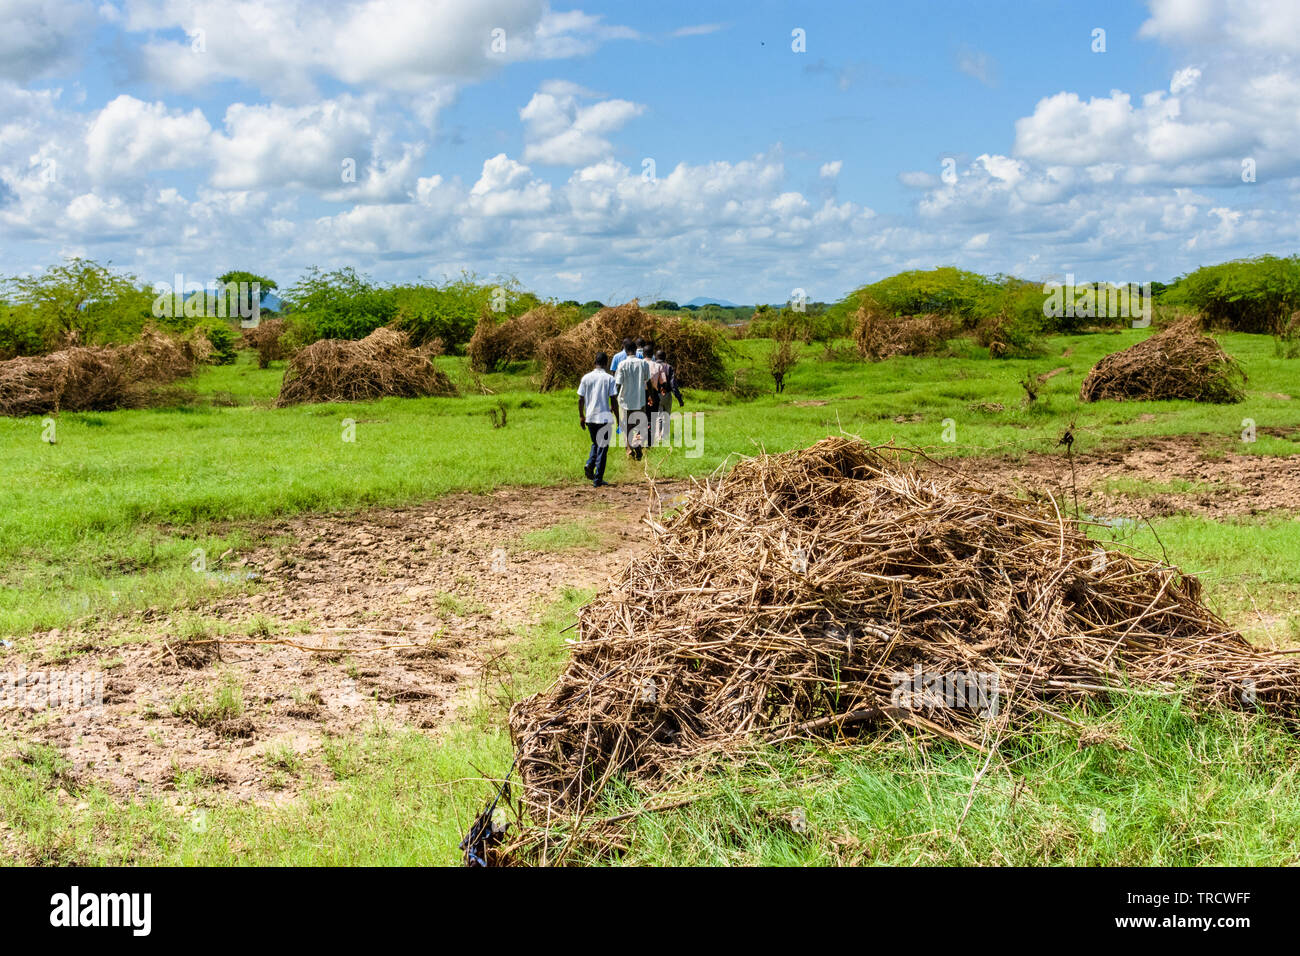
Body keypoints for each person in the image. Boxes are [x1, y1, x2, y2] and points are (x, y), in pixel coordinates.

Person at [577, 352, 619, 487]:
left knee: (595, 443)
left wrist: (581, 416)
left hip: (590, 417)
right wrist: (618, 418)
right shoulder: (609, 379)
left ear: (594, 362)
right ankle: (598, 480)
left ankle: (590, 463)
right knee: (602, 448)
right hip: (604, 418)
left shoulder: (586, 378)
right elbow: (613, 400)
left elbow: (580, 399)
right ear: (606, 363)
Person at [614, 342, 650, 460]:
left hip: (625, 401)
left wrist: (613, 398)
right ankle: (638, 444)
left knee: (626, 426)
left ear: (625, 349)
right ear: (636, 350)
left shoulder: (622, 364)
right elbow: (647, 381)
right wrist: (651, 396)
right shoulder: (643, 363)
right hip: (640, 400)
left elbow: (618, 384)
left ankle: (629, 449)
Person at [652, 349, 684, 444]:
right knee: (666, 415)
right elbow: (673, 384)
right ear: (665, 357)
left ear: (656, 357)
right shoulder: (669, 367)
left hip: (656, 394)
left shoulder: (653, 366)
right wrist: (679, 398)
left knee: (658, 416)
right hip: (667, 394)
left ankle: (658, 437)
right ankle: (665, 437)